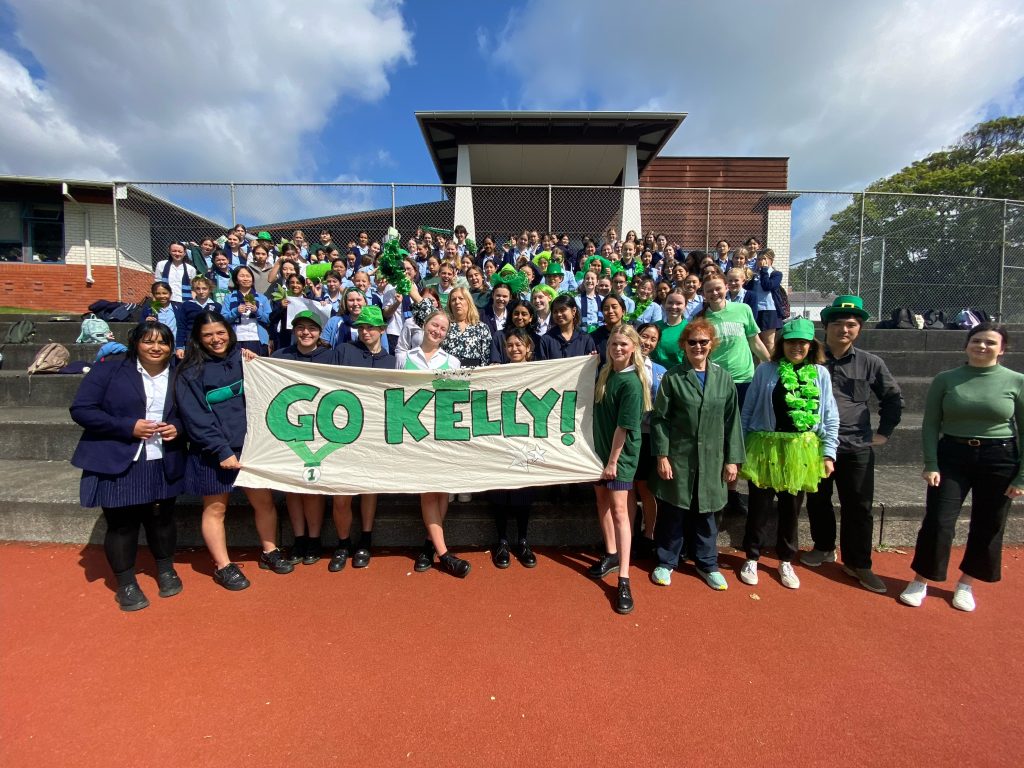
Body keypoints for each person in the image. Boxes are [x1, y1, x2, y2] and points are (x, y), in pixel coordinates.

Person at [900, 322, 1024, 612]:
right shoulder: (946, 379)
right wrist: (931, 463)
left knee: (989, 523)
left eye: (990, 343)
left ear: (1002, 350)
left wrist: (1022, 476)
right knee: (939, 521)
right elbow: (931, 424)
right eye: (977, 340)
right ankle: (922, 579)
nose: (982, 346)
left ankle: (966, 583)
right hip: (952, 456)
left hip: (999, 457)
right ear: (966, 344)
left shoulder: (1016, 381)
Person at [174, 311, 294, 590]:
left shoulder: (246, 360)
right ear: (198, 339)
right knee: (215, 509)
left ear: (229, 333)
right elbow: (196, 418)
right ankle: (223, 566)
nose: (216, 339)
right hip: (214, 452)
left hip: (251, 448)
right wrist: (221, 450)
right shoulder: (189, 372)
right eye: (207, 335)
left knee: (264, 502)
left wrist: (256, 362)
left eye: (220, 333)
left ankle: (270, 551)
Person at [70, 323, 186, 611]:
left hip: (163, 458)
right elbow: (82, 409)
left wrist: (178, 428)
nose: (156, 348)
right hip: (118, 458)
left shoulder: (180, 372)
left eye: (163, 342)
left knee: (162, 519)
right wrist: (128, 426)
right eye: (148, 341)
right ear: (136, 343)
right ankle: (126, 583)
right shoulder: (109, 369)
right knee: (122, 524)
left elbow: (190, 412)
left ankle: (166, 569)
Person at [803, 296, 903, 594]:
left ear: (859, 329)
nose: (844, 330)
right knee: (818, 499)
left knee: (858, 505)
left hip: (855, 444)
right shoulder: (810, 358)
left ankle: (858, 563)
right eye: (837, 324)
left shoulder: (871, 363)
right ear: (826, 326)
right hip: (816, 443)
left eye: (851, 325)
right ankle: (823, 547)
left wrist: (884, 433)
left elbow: (893, 398)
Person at [738, 318, 839, 590]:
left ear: (811, 345)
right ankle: (752, 557)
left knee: (791, 509)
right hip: (765, 446)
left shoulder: (820, 374)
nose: (797, 347)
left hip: (801, 450)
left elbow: (830, 416)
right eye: (791, 342)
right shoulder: (765, 370)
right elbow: (748, 410)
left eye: (802, 343)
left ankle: (785, 559)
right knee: (759, 507)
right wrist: (739, 449)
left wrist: (828, 453)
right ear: (782, 344)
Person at [649, 319, 745, 590]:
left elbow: (732, 421)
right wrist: (662, 455)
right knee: (674, 511)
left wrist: (732, 459)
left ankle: (707, 564)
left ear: (712, 344)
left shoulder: (724, 378)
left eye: (703, 342)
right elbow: (660, 420)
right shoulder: (673, 378)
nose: (698, 347)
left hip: (713, 458)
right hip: (680, 457)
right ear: (684, 345)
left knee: (708, 513)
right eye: (692, 342)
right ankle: (666, 561)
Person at [398, 309, 472, 577]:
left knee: (441, 491)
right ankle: (445, 555)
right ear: (424, 325)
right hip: (415, 434)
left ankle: (429, 546)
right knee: (429, 491)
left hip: (442, 433)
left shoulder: (452, 361)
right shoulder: (404, 358)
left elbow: (457, 396)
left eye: (443, 328)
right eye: (434, 325)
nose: (437, 331)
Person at [587, 325, 651, 615]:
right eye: (614, 344)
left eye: (623, 344)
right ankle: (611, 554)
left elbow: (623, 428)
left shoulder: (632, 383)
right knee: (602, 502)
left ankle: (624, 578)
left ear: (633, 347)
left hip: (619, 457)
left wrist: (613, 462)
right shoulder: (606, 373)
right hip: (599, 454)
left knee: (620, 511)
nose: (618, 349)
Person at [328, 306, 396, 571]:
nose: (365, 332)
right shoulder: (343, 351)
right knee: (341, 493)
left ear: (382, 330)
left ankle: (365, 540)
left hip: (374, 434)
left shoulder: (391, 361)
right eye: (361, 327)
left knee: (369, 488)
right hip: (342, 432)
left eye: (371, 327)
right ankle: (343, 543)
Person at [270, 310, 338, 566]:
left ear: (320, 333)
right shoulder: (280, 357)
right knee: (292, 488)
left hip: (319, 431)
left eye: (311, 328)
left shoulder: (331, 357)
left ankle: (314, 539)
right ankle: (299, 538)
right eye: (300, 328)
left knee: (312, 487)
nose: (306, 333)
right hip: (289, 431)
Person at [489, 328, 540, 569]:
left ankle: (522, 541)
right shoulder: (498, 372)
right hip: (502, 439)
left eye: (519, 344)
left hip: (527, 441)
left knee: (523, 493)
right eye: (510, 345)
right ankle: (501, 541)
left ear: (528, 347)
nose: (514, 349)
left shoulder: (541, 373)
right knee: (500, 491)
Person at [221, 265, 271, 355]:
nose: (245, 279)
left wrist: (257, 311)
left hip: (257, 339)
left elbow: (269, 319)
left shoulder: (262, 298)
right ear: (236, 280)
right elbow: (223, 319)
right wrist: (236, 311)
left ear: (252, 279)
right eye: (242, 276)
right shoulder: (229, 298)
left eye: (248, 276)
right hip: (236, 340)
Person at [744, 248, 784, 357]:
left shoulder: (776, 274)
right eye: (759, 259)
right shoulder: (755, 275)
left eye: (764, 259)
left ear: (771, 260)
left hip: (769, 310)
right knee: (758, 341)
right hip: (756, 310)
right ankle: (760, 365)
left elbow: (768, 286)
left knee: (769, 342)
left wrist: (765, 270)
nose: (761, 261)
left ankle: (771, 363)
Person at [442, 287, 492, 367]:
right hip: (449, 371)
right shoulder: (445, 326)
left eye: (461, 298)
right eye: (453, 300)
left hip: (473, 372)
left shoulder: (482, 328)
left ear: (468, 302)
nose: (457, 302)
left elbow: (486, 357)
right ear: (450, 305)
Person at [541, 294, 597, 359]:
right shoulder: (546, 340)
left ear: (573, 311)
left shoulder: (585, 339)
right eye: (555, 312)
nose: (559, 314)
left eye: (562, 310)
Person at [651, 290, 686, 369]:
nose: (673, 306)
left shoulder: (689, 329)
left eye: (678, 303)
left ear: (685, 305)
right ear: (664, 304)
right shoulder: (654, 327)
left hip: (678, 373)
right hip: (654, 372)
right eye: (670, 303)